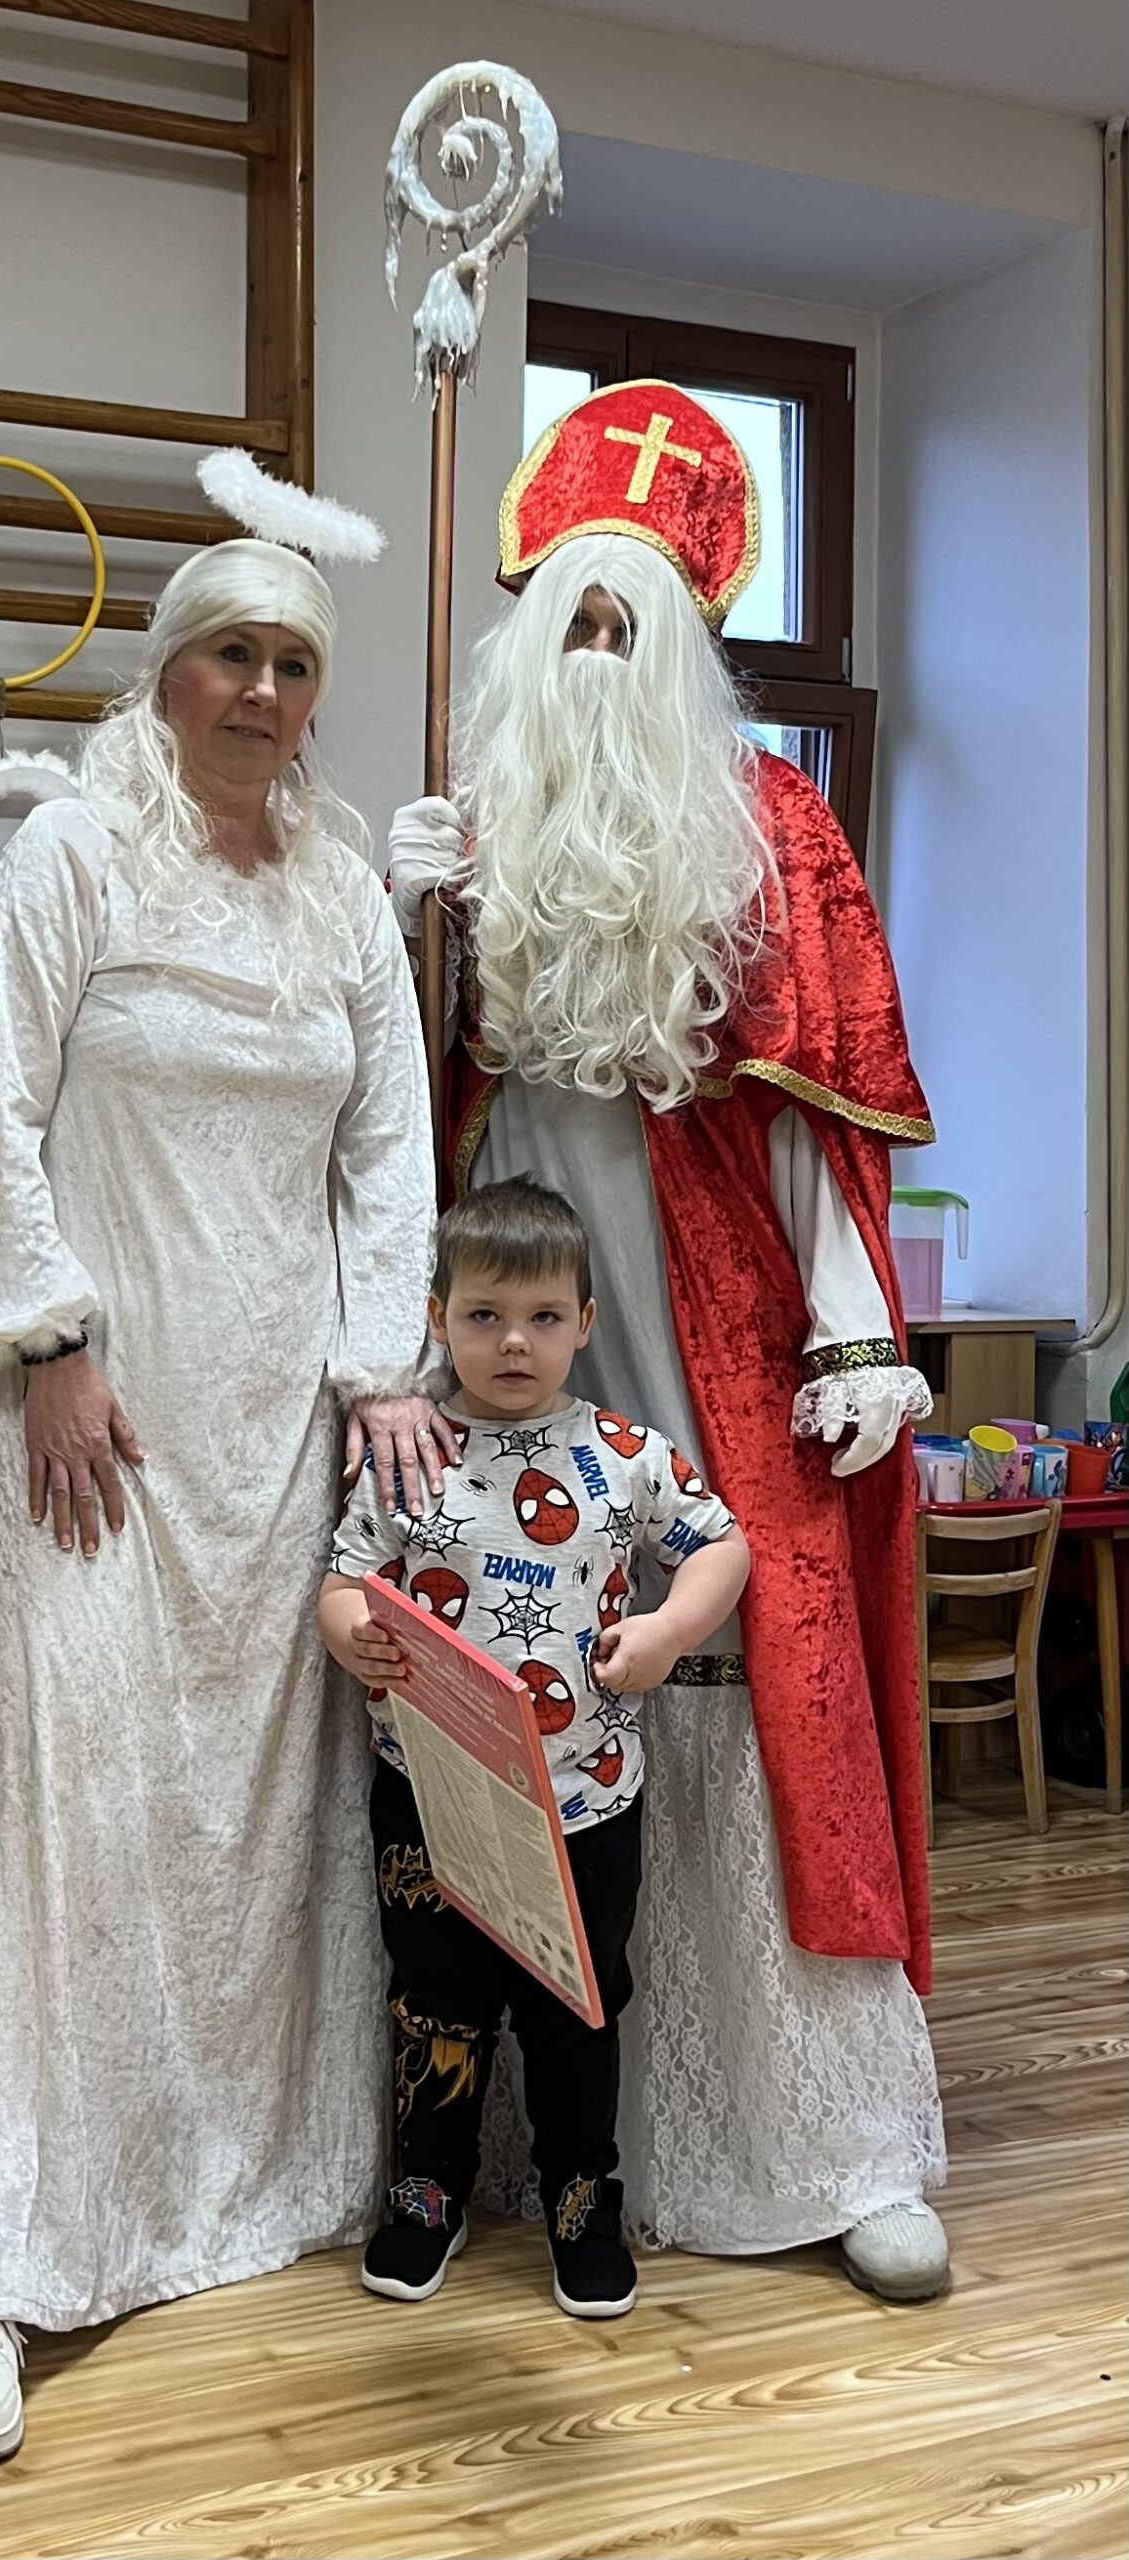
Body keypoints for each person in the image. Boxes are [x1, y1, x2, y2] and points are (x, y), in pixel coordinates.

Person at [0, 453, 452, 2464]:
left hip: (277, 1437)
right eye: (231, 656)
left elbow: (388, 1153)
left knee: (242, 1822)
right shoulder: (72, 858)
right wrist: (49, 1343)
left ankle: (218, 2184)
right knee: (63, 1814)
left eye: (295, 662)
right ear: (170, 671)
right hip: (91, 1425)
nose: (264, 690)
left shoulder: (344, 896)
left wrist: (378, 1365)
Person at [386, 381, 951, 2303]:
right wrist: (400, 925)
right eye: (578, 622)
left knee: (762, 1694)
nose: (602, 656)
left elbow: (823, 1108)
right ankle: (515, 2142)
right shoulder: (480, 843)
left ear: (689, 650)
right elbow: (398, 1114)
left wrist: (858, 1337)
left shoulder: (769, 826)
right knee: (513, 1691)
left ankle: (825, 2142)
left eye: (634, 624)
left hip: (723, 1329)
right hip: (512, 1335)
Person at [320, 1177, 751, 2319]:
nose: (514, 1341)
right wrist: (352, 1636)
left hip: (588, 1801)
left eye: (543, 1316)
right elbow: (345, 1578)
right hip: (431, 1796)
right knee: (435, 2001)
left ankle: (581, 2197)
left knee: (580, 2008)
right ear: (438, 1319)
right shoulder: (409, 1456)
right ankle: (429, 2189)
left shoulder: (625, 1454)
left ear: (585, 1323)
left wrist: (667, 1632)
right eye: (485, 1315)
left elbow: (723, 1547)